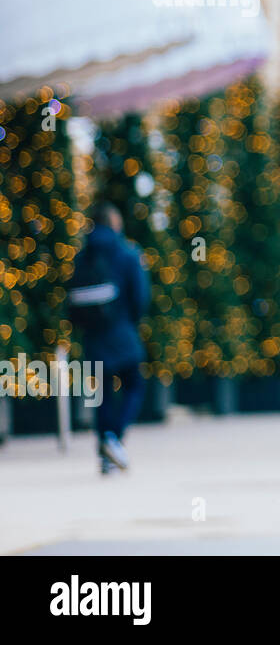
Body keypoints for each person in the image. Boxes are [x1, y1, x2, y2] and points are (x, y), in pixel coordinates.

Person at [66, 201, 150, 475]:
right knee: (134, 385)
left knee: (102, 395)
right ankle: (113, 439)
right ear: (115, 223)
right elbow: (140, 297)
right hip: (123, 332)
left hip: (94, 337)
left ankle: (105, 451)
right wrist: (131, 323)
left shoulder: (82, 255)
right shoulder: (127, 253)